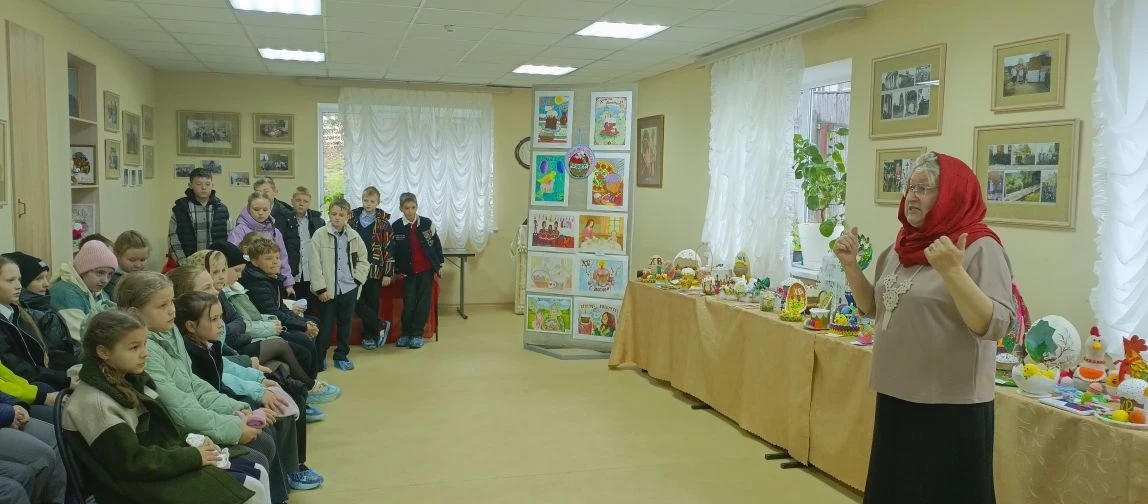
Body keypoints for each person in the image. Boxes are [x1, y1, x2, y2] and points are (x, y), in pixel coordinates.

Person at [833, 151, 1014, 504]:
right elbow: (874, 308)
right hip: (897, 395)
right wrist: (851, 267)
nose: (911, 197)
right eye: (909, 187)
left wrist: (953, 272)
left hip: (950, 406)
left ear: (951, 195)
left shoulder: (979, 247)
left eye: (924, 188)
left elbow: (996, 325)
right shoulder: (902, 246)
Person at [61, 309, 271, 504]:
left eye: (144, 344)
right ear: (103, 352)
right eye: (134, 347)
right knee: (250, 487)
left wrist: (194, 440)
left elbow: (163, 430)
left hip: (160, 464)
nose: (145, 353)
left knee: (257, 471)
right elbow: (132, 463)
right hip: (132, 488)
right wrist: (193, 456)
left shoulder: (130, 379)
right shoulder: (97, 403)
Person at [114, 271, 289, 503]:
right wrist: (234, 428)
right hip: (175, 434)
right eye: (162, 305)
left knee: (264, 436)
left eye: (171, 302)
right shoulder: (147, 351)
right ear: (135, 314)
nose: (172, 310)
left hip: (192, 420)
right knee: (258, 452)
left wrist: (238, 409)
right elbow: (178, 407)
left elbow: (194, 385)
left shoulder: (169, 331)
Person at [174, 290, 322, 492]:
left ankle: (293, 468)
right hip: (215, 403)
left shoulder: (209, 343)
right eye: (214, 319)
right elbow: (208, 389)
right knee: (268, 427)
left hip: (222, 395)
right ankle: (281, 488)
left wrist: (258, 380)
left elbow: (227, 367)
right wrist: (251, 397)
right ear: (190, 325)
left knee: (283, 399)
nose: (221, 324)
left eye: (220, 317)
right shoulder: (190, 351)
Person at [204, 242, 338, 408]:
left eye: (224, 271)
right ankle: (308, 389)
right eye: (216, 272)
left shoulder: (228, 291)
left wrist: (296, 323)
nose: (222, 277)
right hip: (240, 344)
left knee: (299, 345)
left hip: (245, 338)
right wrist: (273, 327)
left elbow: (241, 321)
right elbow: (230, 331)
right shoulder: (240, 288)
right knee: (289, 347)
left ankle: (304, 397)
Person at [237, 238, 321, 367]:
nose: (275, 262)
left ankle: (317, 368)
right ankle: (311, 376)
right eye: (268, 258)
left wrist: (304, 323)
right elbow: (273, 314)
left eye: (277, 257)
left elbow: (282, 307)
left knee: (313, 323)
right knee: (304, 343)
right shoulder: (257, 283)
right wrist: (303, 326)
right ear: (254, 262)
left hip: (277, 322)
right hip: (268, 326)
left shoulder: (270, 278)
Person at [309, 198, 369, 371]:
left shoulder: (354, 236)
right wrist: (320, 289)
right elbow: (314, 264)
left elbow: (364, 260)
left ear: (348, 216)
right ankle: (320, 356)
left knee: (345, 325)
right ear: (329, 214)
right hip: (327, 291)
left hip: (349, 288)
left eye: (341, 215)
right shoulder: (320, 235)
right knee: (325, 326)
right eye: (334, 214)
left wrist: (357, 281)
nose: (337, 217)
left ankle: (341, 355)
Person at [0, 256, 76, 392]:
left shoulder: (18, 313)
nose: (18, 286)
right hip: (24, 388)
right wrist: (63, 380)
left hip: (39, 379)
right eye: (10, 280)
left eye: (19, 279)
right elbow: (17, 368)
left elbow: (43, 355)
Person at [390, 192, 444, 350]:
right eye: (406, 208)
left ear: (417, 207)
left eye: (413, 207)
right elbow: (393, 251)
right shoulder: (396, 226)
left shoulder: (427, 223)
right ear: (401, 209)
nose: (410, 211)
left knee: (423, 303)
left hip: (426, 270)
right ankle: (406, 333)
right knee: (409, 303)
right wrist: (394, 270)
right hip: (408, 272)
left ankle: (417, 334)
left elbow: (436, 244)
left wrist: (439, 265)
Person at [348, 186, 394, 350]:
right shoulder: (352, 220)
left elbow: (389, 248)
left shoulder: (384, 223)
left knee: (372, 303)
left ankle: (369, 336)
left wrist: (388, 273)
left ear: (378, 202)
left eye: (372, 201)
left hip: (375, 269)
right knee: (355, 300)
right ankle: (380, 324)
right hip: (356, 268)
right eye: (366, 200)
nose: (368, 204)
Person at [0, 389, 66, 504]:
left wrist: (16, 404)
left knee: (54, 436)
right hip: (5, 416)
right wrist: (10, 412)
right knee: (42, 457)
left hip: (7, 411)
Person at [49, 240, 118, 344]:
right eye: (100, 273)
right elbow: (80, 338)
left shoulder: (101, 294)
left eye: (110, 274)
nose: (105, 280)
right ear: (83, 271)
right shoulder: (65, 293)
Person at [229, 192, 295, 294]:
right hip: (247, 282)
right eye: (256, 209)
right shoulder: (239, 230)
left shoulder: (275, 232)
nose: (261, 213)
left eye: (265, 210)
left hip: (273, 282)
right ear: (248, 208)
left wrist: (288, 283)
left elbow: (283, 258)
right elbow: (232, 259)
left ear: (270, 209)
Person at [168, 168, 231, 267]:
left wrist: (225, 260)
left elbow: (230, 236)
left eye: (207, 184)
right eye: (198, 184)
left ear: (212, 185)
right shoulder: (180, 209)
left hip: (216, 263)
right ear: (190, 185)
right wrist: (183, 262)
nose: (203, 187)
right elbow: (173, 239)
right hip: (189, 263)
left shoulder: (222, 209)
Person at [252, 178, 301, 287]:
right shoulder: (250, 213)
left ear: (275, 192)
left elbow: (292, 246)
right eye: (258, 192)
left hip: (279, 271)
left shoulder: (287, 213)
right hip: (256, 270)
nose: (262, 195)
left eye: (266, 191)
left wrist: (288, 276)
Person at [290, 186, 325, 311]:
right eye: (298, 200)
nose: (301, 204)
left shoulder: (318, 222)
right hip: (293, 272)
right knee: (293, 306)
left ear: (309, 203)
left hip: (310, 271)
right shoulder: (286, 220)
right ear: (292, 201)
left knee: (310, 307)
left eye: (305, 201)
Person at [107, 230, 151, 298]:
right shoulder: (110, 280)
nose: (138, 265)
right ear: (117, 255)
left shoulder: (145, 277)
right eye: (132, 260)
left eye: (142, 260)